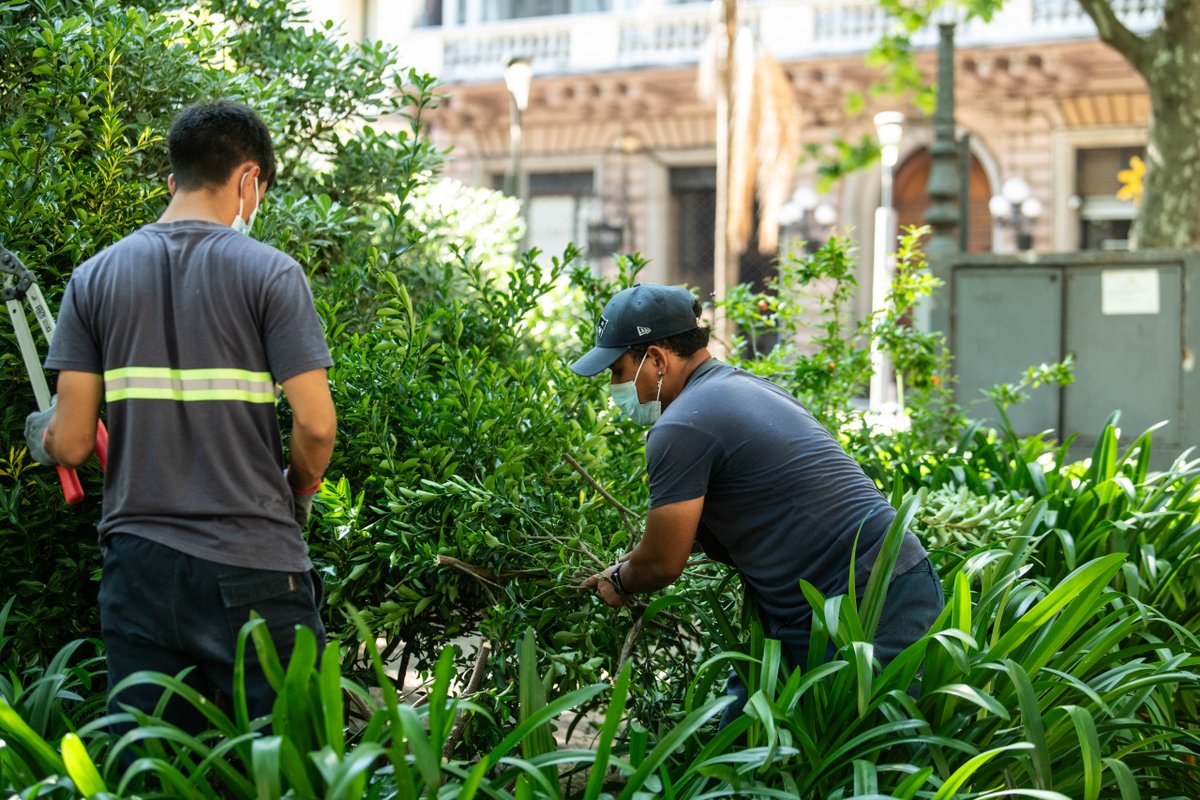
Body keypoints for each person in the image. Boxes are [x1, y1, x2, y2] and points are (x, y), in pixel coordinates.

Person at [23, 101, 336, 733]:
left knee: (150, 766)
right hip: (254, 562)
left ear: (174, 181)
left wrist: (42, 435)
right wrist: (300, 491)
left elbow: (74, 441)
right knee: (295, 766)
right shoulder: (272, 273)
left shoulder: (93, 279)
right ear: (249, 180)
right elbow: (317, 424)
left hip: (140, 569)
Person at [574, 283, 942, 720]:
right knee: (743, 749)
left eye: (618, 371)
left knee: (867, 769)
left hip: (867, 604)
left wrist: (620, 581)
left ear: (655, 359)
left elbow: (662, 564)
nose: (615, 387)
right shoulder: (742, 387)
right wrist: (627, 563)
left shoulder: (682, 425)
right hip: (834, 599)